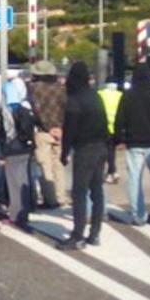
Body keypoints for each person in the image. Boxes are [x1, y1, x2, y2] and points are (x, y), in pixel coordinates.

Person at [61, 61, 109, 247]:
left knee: (79, 193)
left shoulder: (75, 100)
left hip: (85, 149)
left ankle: (77, 236)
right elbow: (105, 125)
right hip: (101, 147)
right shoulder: (95, 96)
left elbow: (69, 130)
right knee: (97, 191)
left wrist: (64, 153)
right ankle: (95, 233)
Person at [117, 61, 150, 226]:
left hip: (134, 143)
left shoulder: (128, 96)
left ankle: (138, 214)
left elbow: (120, 119)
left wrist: (120, 138)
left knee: (134, 178)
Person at [0, 75, 38, 228]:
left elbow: (1, 134)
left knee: (13, 184)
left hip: (12, 150)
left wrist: (3, 152)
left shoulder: (6, 111)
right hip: (26, 149)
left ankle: (15, 215)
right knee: (24, 181)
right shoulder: (25, 108)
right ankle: (25, 212)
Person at [26, 60, 67, 210]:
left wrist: (48, 127)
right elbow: (67, 108)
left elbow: (35, 111)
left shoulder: (33, 89)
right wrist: (61, 127)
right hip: (62, 131)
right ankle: (61, 196)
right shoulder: (62, 89)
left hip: (43, 132)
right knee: (59, 164)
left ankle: (50, 199)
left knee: (45, 166)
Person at [97, 74, 124, 185]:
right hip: (116, 128)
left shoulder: (100, 94)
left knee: (104, 152)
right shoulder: (120, 95)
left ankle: (111, 171)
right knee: (111, 151)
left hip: (103, 127)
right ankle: (111, 172)